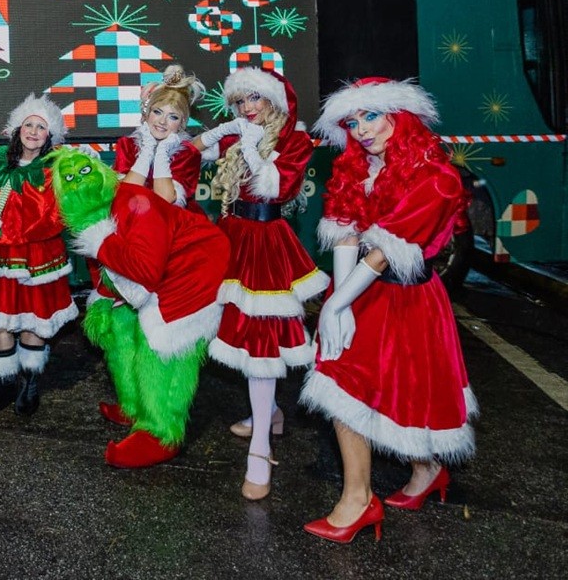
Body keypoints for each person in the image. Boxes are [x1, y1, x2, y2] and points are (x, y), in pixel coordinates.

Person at [299, 77, 476, 543]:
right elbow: (346, 231)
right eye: (353, 122)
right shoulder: (358, 168)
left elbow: (387, 248)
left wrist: (339, 301)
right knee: (338, 377)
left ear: (402, 115)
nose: (361, 130)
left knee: (409, 391)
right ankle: (361, 497)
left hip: (411, 299)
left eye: (371, 116)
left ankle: (425, 470)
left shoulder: (437, 177)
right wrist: (342, 301)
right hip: (365, 290)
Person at [194, 67, 329, 500]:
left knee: (262, 343)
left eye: (255, 99)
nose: (248, 108)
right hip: (233, 239)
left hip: (267, 244)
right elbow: (189, 153)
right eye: (240, 102)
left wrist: (247, 144)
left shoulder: (294, 140)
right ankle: (268, 412)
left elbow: (274, 189)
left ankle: (260, 449)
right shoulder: (240, 134)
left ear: (274, 100)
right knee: (237, 332)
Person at [51, 147, 229, 468]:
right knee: (120, 328)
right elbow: (108, 271)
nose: (78, 182)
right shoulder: (93, 217)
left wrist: (101, 241)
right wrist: (105, 300)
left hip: (194, 268)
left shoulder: (136, 202)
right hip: (150, 275)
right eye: (69, 178)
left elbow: (144, 271)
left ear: (103, 173)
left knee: (160, 345)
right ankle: (134, 404)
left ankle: (161, 431)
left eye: (85, 172)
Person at [0, 94, 76, 417]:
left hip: (37, 258)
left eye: (41, 127)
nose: (33, 131)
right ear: (17, 128)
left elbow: (58, 214)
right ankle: (3, 385)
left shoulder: (55, 169)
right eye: (29, 124)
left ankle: (29, 385)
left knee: (34, 321)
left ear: (49, 135)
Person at [113, 64, 205, 212]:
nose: (162, 121)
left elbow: (166, 199)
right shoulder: (127, 145)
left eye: (173, 117)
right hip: (133, 223)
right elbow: (126, 195)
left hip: (174, 224)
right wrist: (147, 150)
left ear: (181, 123)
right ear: (147, 113)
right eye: (157, 112)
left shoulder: (188, 153)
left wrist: (161, 151)